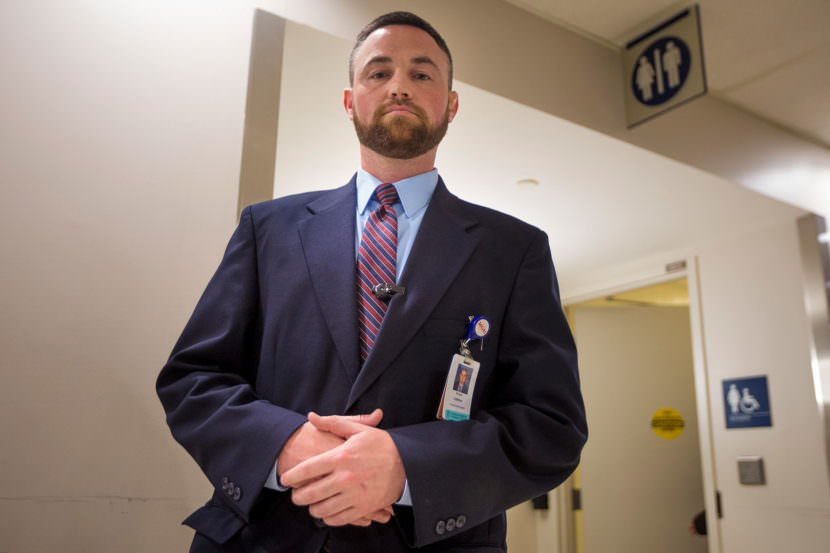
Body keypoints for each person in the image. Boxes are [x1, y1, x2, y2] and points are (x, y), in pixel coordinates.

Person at [157, 11, 587, 553]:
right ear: (349, 100)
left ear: (451, 105)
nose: (400, 86)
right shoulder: (266, 230)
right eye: (378, 73)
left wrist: (407, 467)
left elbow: (551, 426)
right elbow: (193, 380)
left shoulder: (514, 250)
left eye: (422, 74)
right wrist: (285, 445)